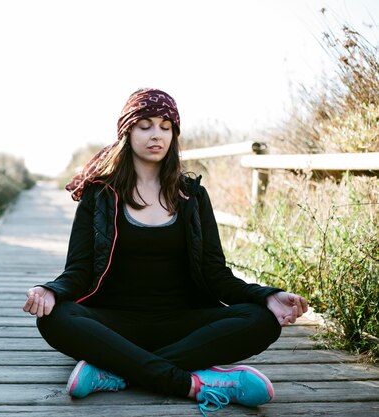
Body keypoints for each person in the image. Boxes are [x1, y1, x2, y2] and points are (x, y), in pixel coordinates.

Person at [22, 88, 308, 415]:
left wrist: (266, 295)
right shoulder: (99, 195)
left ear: (174, 134)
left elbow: (216, 275)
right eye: (145, 125)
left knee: (262, 320)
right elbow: (79, 271)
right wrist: (50, 290)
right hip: (113, 324)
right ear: (126, 132)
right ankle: (192, 382)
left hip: (184, 324)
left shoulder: (192, 195)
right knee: (54, 317)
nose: (156, 135)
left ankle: (116, 370)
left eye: (165, 126)